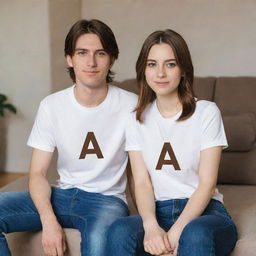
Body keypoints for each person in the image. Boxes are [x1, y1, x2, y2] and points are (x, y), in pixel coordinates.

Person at [0, 19, 137, 256]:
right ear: (69, 59)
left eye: (100, 53)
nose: (91, 62)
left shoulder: (131, 106)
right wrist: (48, 220)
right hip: (61, 195)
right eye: (82, 53)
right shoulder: (52, 106)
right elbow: (37, 173)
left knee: (98, 247)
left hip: (107, 201)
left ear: (112, 58)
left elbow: (140, 172)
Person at [107, 29, 237, 256]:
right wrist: (150, 226)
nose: (160, 73)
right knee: (120, 230)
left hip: (205, 213)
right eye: (152, 64)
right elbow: (142, 183)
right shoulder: (135, 118)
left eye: (170, 64)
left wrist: (176, 231)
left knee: (194, 234)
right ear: (143, 70)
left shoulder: (206, 112)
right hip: (158, 212)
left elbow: (206, 184)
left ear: (183, 69)